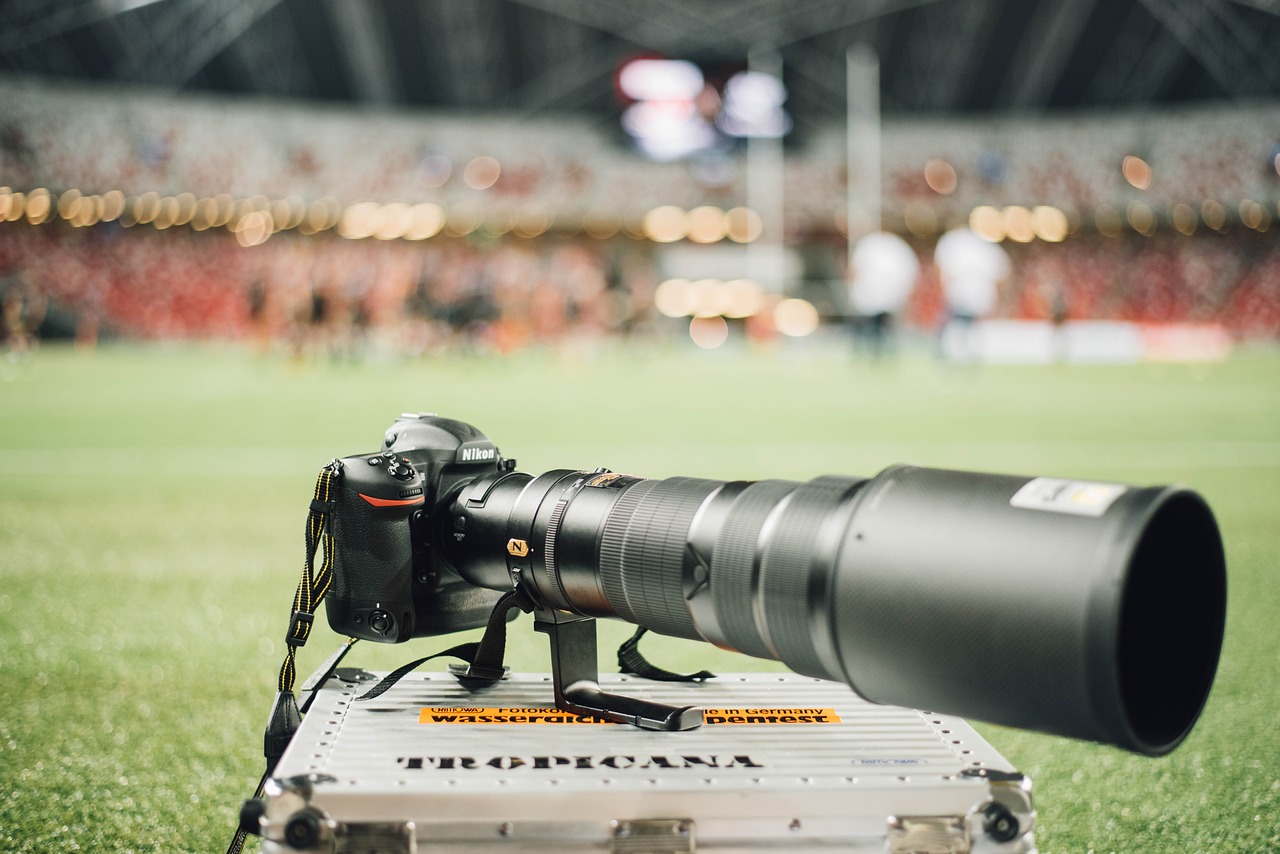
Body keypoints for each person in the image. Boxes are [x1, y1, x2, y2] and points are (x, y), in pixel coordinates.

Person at [933, 227, 1011, 363]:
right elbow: (1002, 274)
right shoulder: (987, 246)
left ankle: (955, 355)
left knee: (957, 327)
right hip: (978, 297)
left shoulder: (953, 244)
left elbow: (940, 271)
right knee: (966, 328)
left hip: (962, 296)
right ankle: (964, 354)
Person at [847, 231, 920, 360]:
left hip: (880, 299)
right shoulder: (878, 248)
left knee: (878, 330)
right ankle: (866, 353)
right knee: (869, 330)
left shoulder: (879, 248)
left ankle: (874, 354)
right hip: (871, 298)